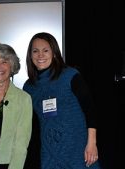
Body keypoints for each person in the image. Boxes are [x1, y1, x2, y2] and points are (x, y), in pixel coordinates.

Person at [23, 32, 101, 168]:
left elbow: (90, 110)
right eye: (35, 51)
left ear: (54, 53)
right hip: (49, 152)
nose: (40, 55)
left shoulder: (70, 76)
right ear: (30, 55)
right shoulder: (29, 87)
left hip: (78, 149)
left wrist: (92, 143)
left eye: (45, 50)